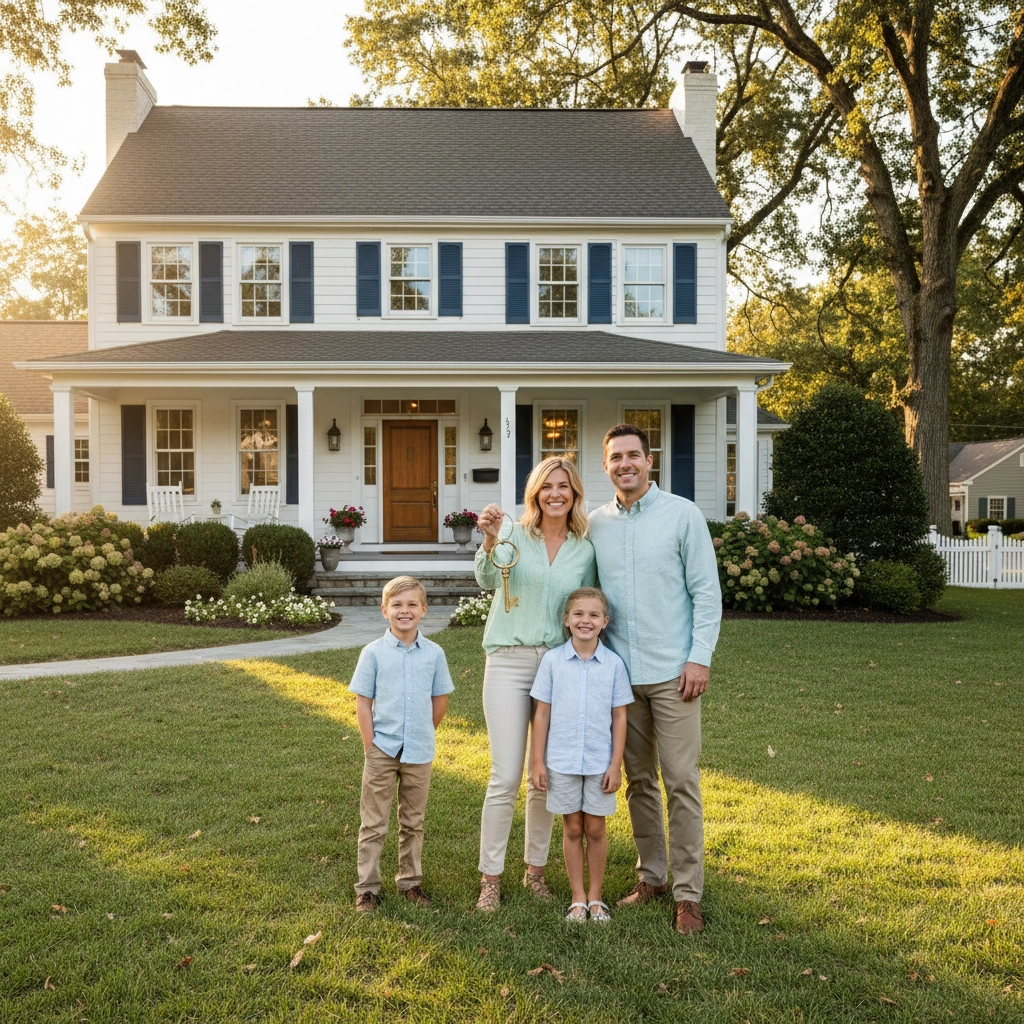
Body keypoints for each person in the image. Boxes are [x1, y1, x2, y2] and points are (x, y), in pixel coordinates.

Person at [588, 424, 722, 934]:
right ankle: (652, 877)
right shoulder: (596, 524)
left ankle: (688, 895)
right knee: (639, 782)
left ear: (650, 460)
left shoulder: (682, 515)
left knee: (681, 781)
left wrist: (699, 659)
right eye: (615, 457)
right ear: (606, 466)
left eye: (633, 455)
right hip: (621, 677)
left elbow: (706, 593)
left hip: (674, 673)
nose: (624, 464)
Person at [473, 456, 597, 912]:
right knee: (505, 776)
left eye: (563, 486)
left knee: (543, 776)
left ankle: (535, 872)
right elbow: (486, 579)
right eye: (547, 486)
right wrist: (489, 538)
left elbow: (589, 604)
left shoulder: (584, 549)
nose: (555, 494)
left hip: (558, 667)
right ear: (535, 493)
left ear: (575, 493)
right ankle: (490, 878)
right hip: (508, 661)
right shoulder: (512, 533)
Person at [349, 575, 454, 911]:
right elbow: (363, 702)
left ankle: (410, 883)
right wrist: (370, 745)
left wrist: (424, 731)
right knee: (374, 822)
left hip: (419, 751)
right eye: (397, 604)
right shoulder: (373, 653)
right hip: (382, 749)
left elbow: (440, 700)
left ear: (424, 610)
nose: (404, 611)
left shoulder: (434, 654)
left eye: (411, 604)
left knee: (413, 822)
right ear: (385, 610)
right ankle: (367, 888)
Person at [530, 587, 632, 922]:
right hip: (562, 761)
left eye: (593, 615)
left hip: (600, 762)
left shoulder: (613, 665)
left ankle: (596, 898)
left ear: (605, 622)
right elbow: (542, 714)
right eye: (578, 614)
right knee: (572, 828)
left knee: (596, 829)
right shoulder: (552, 662)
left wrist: (616, 765)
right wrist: (538, 761)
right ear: (566, 619)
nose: (585, 620)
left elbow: (620, 717)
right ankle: (578, 899)